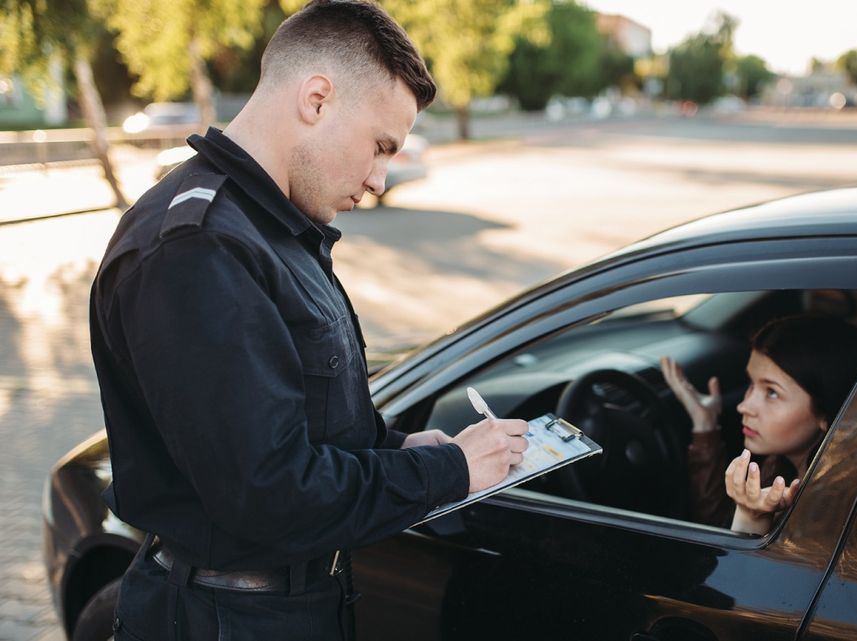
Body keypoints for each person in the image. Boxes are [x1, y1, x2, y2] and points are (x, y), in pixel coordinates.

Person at [88, 2, 529, 639]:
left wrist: (396, 448)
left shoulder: (273, 227)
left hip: (283, 608)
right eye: (381, 147)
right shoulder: (199, 247)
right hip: (223, 619)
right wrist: (449, 472)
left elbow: (299, 422)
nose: (380, 180)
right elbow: (268, 494)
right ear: (317, 99)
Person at [661, 313, 857, 535]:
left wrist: (752, 522)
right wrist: (705, 423)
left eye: (771, 392)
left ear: (826, 414)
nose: (744, 406)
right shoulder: (779, 464)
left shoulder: (829, 513)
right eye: (751, 384)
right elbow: (720, 526)